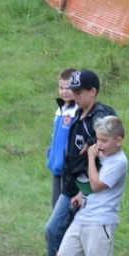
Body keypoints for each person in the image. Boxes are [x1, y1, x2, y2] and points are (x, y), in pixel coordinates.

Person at [43, 69, 116, 256]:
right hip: (72, 185)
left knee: (85, 235)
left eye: (79, 92)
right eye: (72, 91)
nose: (73, 95)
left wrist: (85, 191)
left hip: (88, 188)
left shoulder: (101, 117)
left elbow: (107, 152)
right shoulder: (79, 113)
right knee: (59, 231)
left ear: (93, 91)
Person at [45, 116, 128, 256]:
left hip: (101, 220)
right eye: (98, 140)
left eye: (104, 141)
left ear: (118, 140)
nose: (99, 145)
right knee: (65, 254)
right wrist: (80, 195)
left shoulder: (118, 161)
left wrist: (91, 159)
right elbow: (90, 187)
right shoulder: (104, 157)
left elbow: (98, 184)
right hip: (84, 215)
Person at [46, 68, 77, 208]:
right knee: (55, 205)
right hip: (56, 165)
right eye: (61, 87)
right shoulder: (60, 110)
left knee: (64, 209)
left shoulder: (77, 111)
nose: (64, 91)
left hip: (68, 168)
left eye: (68, 88)